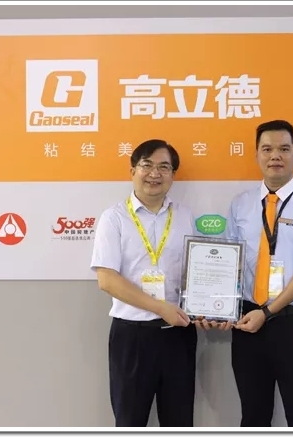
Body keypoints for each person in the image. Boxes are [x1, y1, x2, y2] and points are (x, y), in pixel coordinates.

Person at [222, 119, 293, 427]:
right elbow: (230, 262)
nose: (275, 156)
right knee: (253, 415)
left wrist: (268, 312)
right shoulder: (241, 204)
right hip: (247, 322)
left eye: (284, 149)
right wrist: (217, 307)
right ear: (256, 155)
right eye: (267, 149)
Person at [90, 139, 198, 427]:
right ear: (132, 171)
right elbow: (106, 279)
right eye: (146, 165)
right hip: (132, 336)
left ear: (173, 175)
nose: (154, 174)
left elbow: (196, 273)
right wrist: (160, 308)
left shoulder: (185, 216)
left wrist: (209, 308)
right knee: (130, 422)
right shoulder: (114, 218)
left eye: (164, 167)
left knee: (179, 422)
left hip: (178, 336)